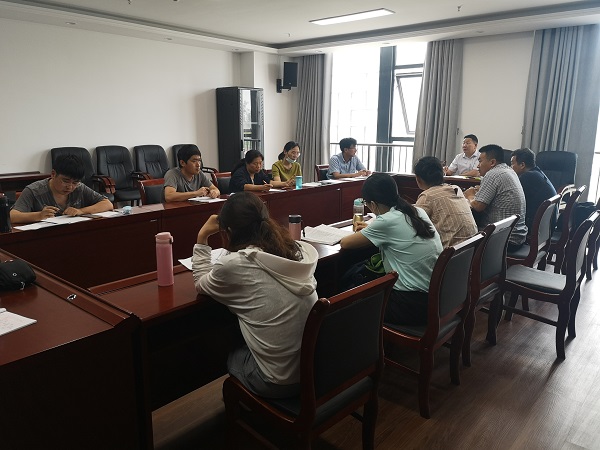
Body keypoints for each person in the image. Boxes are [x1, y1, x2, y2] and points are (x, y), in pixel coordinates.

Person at [191, 192, 319, 398]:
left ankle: (249, 409)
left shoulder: (234, 264)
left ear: (228, 230)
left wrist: (202, 236)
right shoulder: (294, 249)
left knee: (229, 348)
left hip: (278, 382)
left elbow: (201, 283)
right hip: (314, 371)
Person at [340, 173, 442, 326]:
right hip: (435, 297)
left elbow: (345, 243)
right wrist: (373, 230)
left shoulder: (386, 221)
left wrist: (373, 229)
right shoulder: (417, 211)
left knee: (353, 300)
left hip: (409, 304)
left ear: (373, 204)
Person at [10, 154, 113, 224]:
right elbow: (12, 216)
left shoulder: (79, 187)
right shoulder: (34, 190)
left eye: (75, 182)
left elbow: (107, 204)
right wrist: (39, 215)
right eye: (66, 181)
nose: (70, 187)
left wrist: (81, 211)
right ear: (53, 174)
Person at [464, 144, 527, 250]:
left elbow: (478, 207)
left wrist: (469, 195)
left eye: (480, 161)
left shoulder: (493, 174)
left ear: (492, 162)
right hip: (516, 236)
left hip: (504, 241)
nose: (478, 166)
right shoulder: (509, 170)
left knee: (461, 231)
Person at [414, 156, 478, 248]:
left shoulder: (427, 196)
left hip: (449, 253)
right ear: (443, 173)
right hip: (471, 249)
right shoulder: (456, 189)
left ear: (418, 178)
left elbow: (413, 226)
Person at [511, 147, 557, 232]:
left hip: (536, 229)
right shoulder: (537, 173)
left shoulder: (527, 177)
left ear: (522, 165)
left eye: (512, 164)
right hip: (547, 227)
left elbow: (512, 201)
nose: (511, 167)